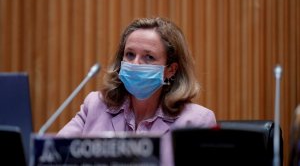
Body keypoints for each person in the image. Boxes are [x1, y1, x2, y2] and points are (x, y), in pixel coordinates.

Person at [57, 17, 217, 165]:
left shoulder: (197, 122)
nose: (136, 63)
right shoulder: (96, 105)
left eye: (149, 57)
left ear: (170, 70)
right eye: (130, 54)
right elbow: (54, 156)